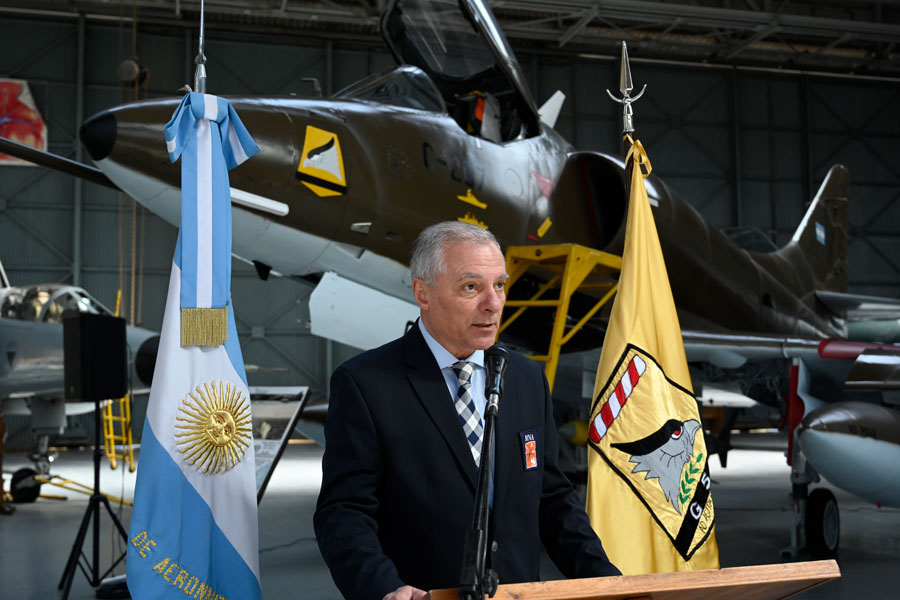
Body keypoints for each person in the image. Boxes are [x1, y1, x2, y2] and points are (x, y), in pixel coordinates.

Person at [314, 222, 620, 600]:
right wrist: (384, 587)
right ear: (422, 293)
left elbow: (552, 498)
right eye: (471, 287)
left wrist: (610, 583)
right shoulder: (366, 384)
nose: (492, 303)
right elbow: (344, 512)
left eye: (500, 285)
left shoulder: (525, 378)